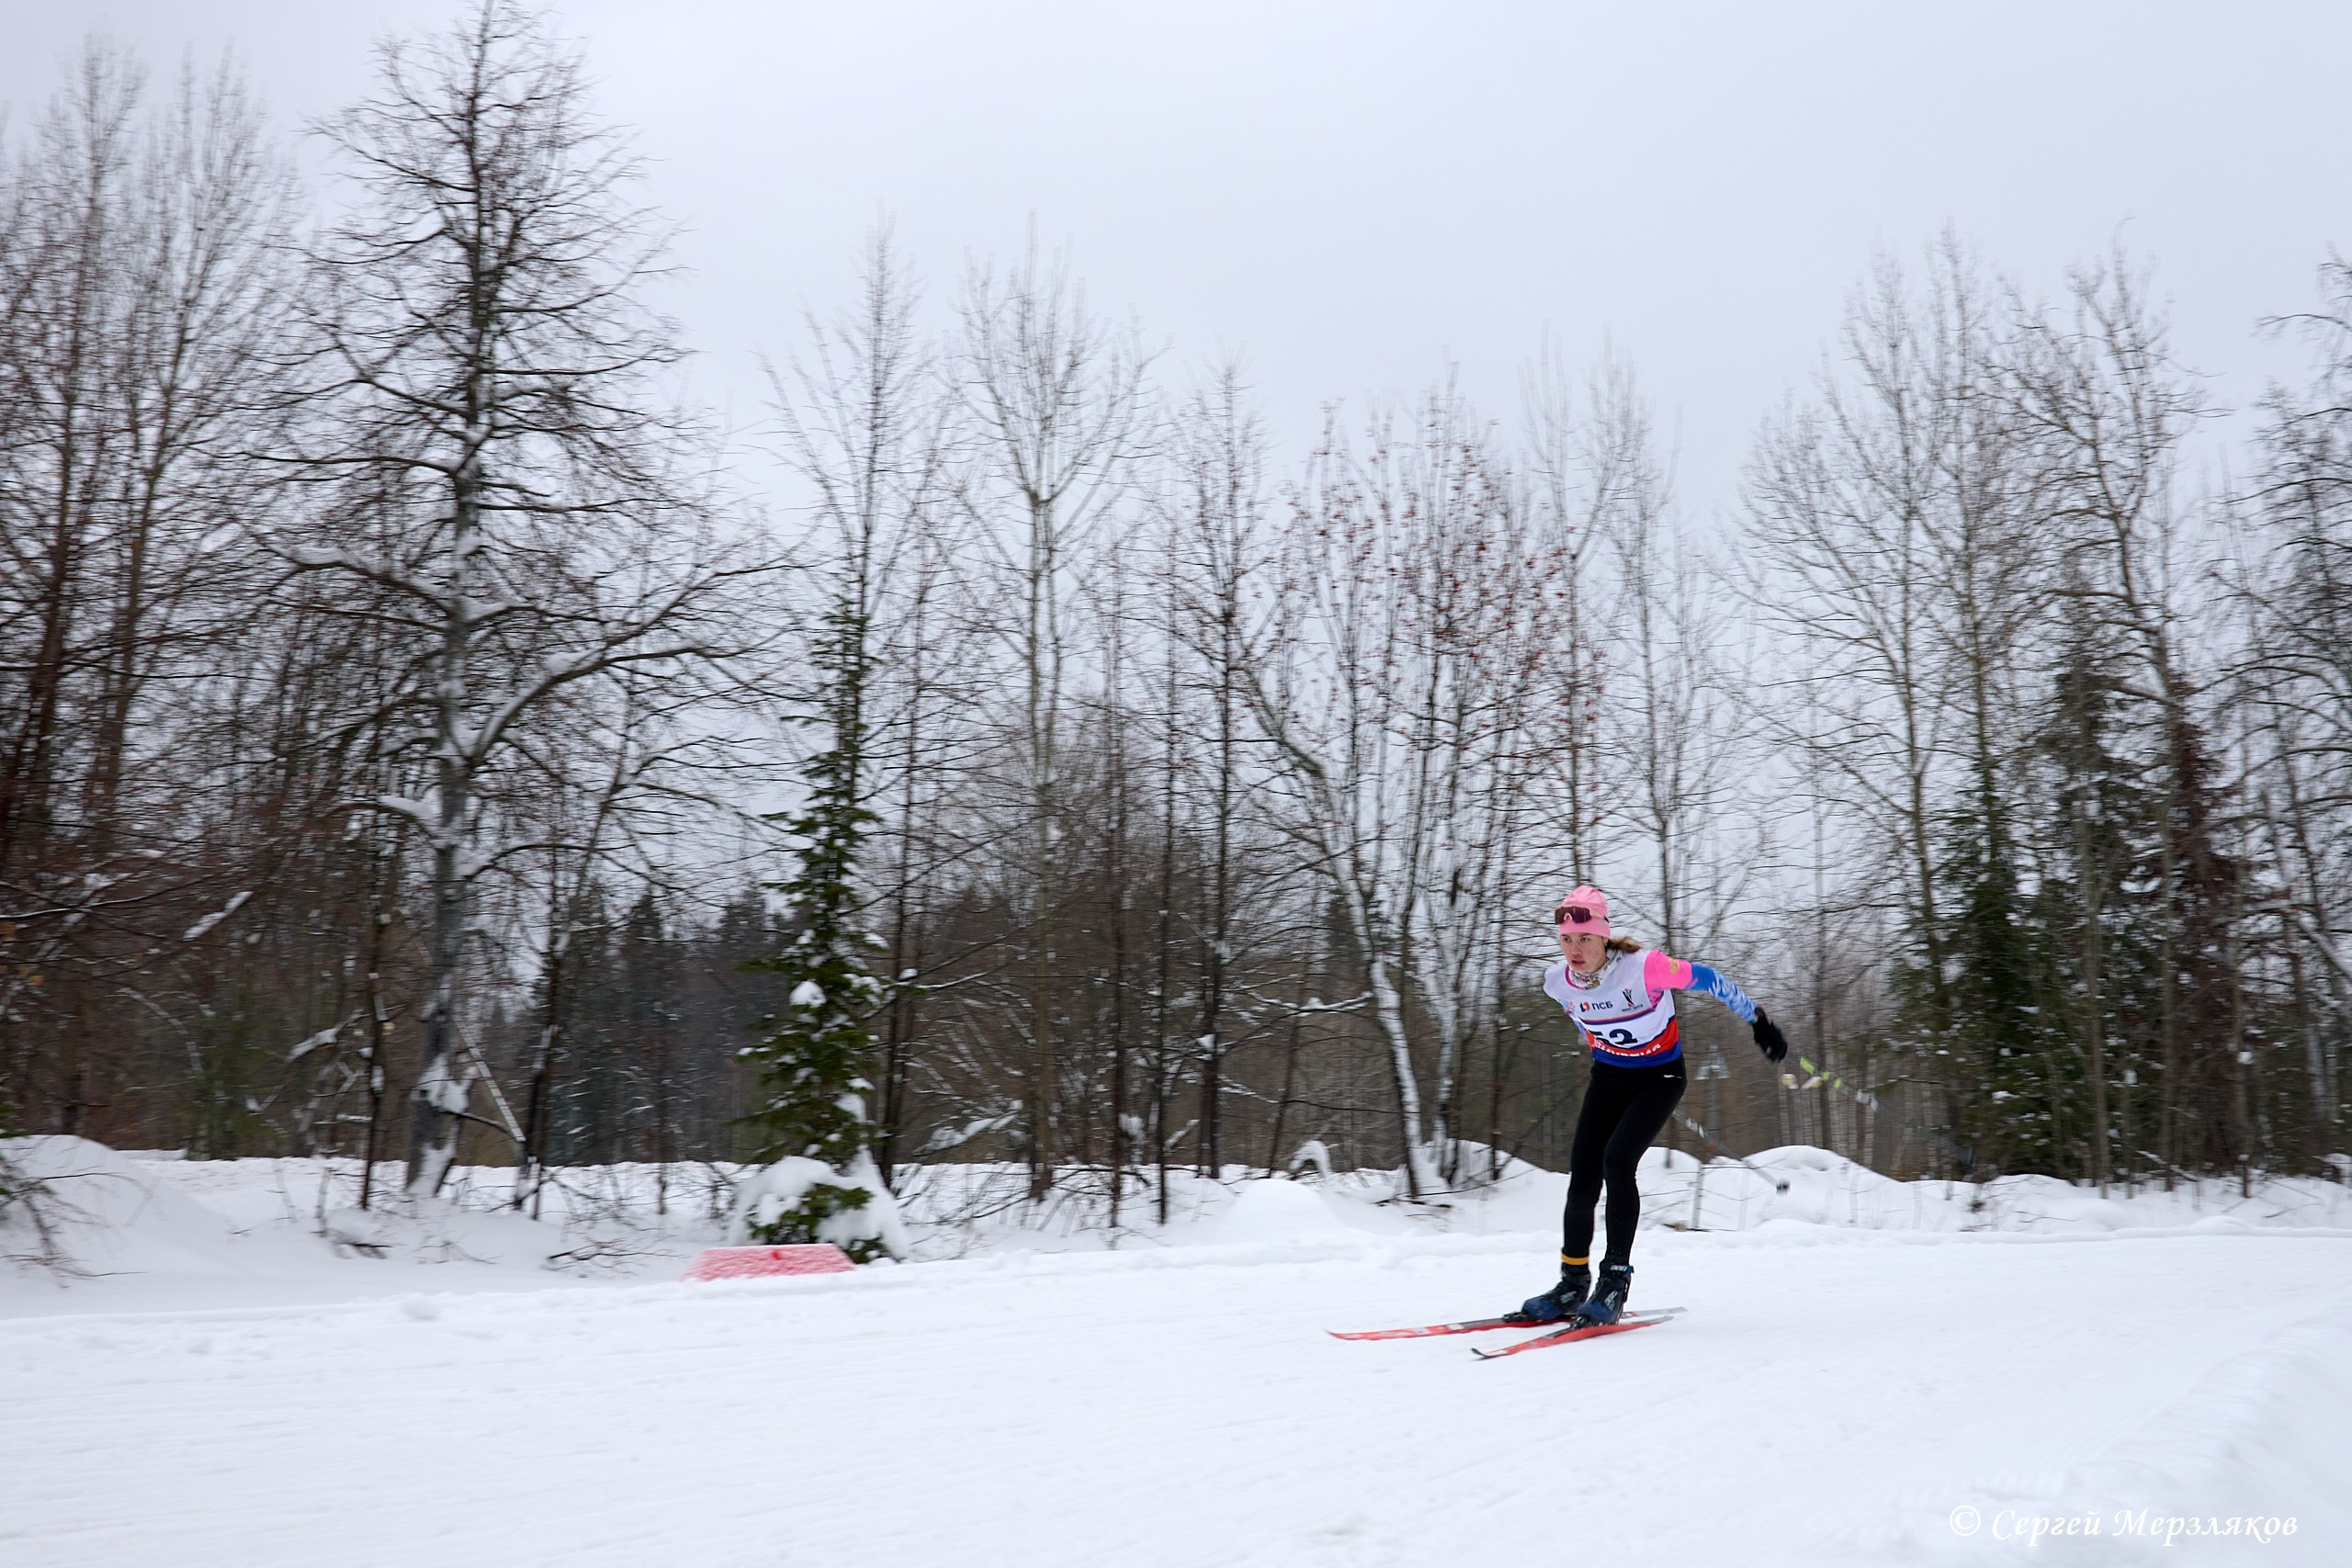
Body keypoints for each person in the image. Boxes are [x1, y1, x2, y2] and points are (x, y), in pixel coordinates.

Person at [1510, 885, 1788, 1326]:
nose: (1575, 949)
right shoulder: (1556, 984)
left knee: (1618, 1162)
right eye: (1566, 940)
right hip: (1610, 1077)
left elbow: (1712, 981)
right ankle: (1571, 1284)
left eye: (1585, 939)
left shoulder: (1648, 968)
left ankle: (1614, 1281)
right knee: (1583, 1171)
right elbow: (1587, 1020)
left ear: (1604, 936)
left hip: (1659, 1079)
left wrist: (1759, 1022)